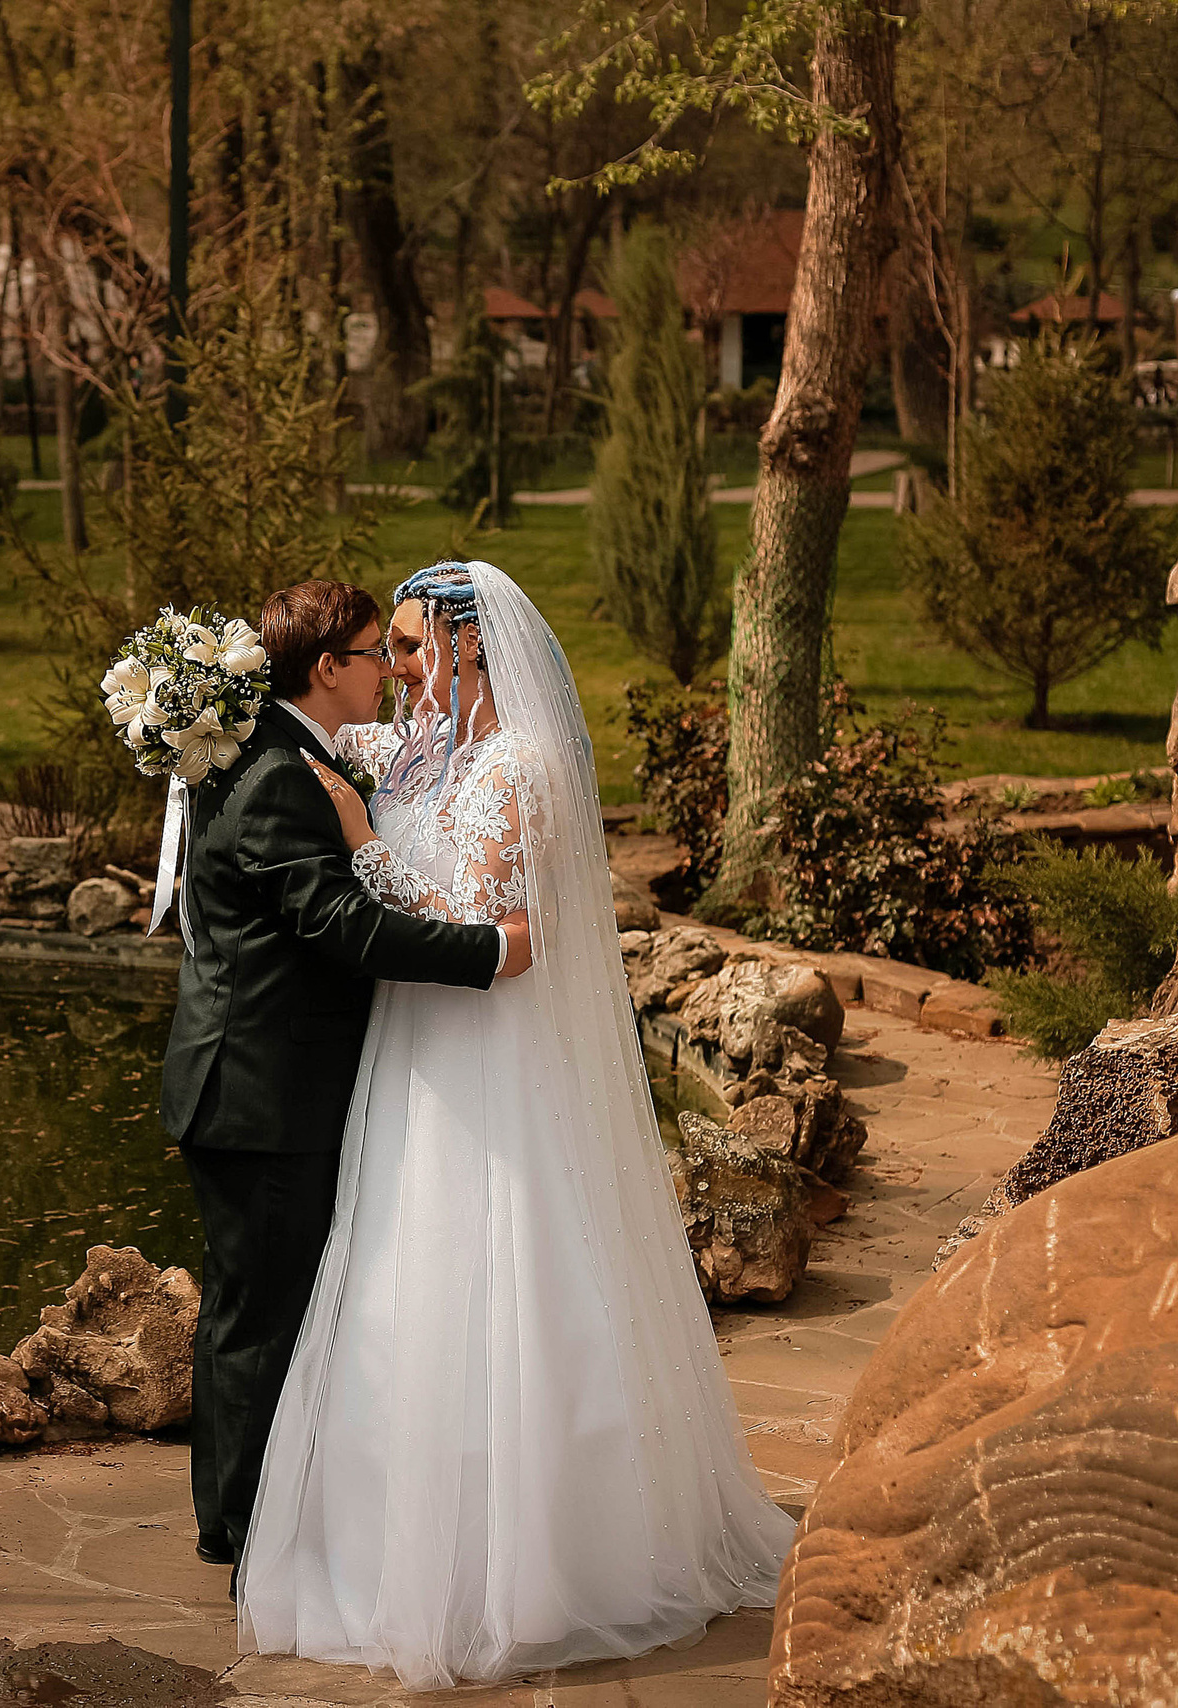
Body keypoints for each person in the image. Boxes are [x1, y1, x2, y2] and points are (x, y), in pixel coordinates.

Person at [236, 561, 795, 1689]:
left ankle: (538, 1567)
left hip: (489, 1055)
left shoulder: (519, 768)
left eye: (406, 646)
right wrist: (201, 704)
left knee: (509, 1270)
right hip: (409, 1053)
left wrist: (362, 846)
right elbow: (295, 733)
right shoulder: (415, 746)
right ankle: (388, 1550)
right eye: (384, 650)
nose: (392, 670)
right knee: (402, 1278)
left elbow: (490, 924)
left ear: (470, 646)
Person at [159, 578, 533, 1576]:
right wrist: (491, 952)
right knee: (257, 1322)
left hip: (252, 1086)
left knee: (252, 1312)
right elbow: (340, 926)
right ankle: (240, 1534)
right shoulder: (282, 773)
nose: (392, 670)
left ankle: (239, 1515)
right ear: (327, 668)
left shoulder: (267, 748)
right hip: (260, 1095)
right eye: (376, 653)